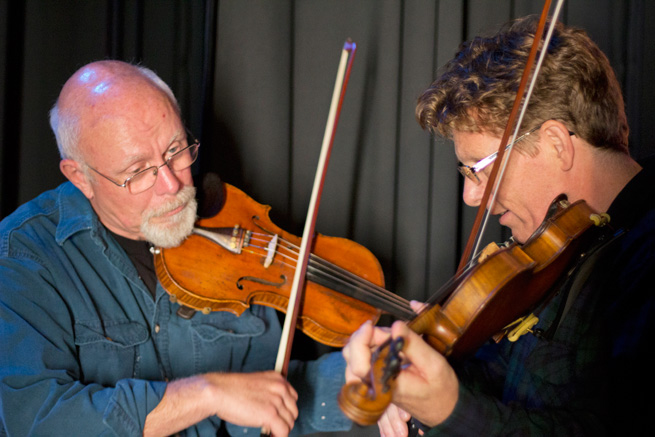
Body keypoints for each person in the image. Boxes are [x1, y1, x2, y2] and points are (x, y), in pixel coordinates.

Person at [0, 60, 351, 436]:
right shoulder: (26, 255)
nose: (172, 184)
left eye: (176, 150)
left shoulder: (233, 234)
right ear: (80, 177)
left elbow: (264, 396)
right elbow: (38, 419)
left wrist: (369, 388)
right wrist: (205, 393)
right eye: (138, 172)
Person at [342, 15, 655, 436]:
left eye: (479, 169)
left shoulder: (641, 255)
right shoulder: (551, 253)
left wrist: (450, 409)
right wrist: (415, 383)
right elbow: (507, 387)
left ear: (555, 145)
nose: (472, 197)